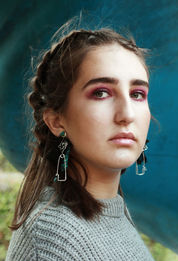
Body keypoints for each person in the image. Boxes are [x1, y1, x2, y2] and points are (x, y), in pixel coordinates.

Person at [6, 27, 154, 260]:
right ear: (56, 121)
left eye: (137, 94)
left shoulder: (113, 210)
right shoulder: (54, 237)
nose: (127, 114)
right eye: (101, 93)